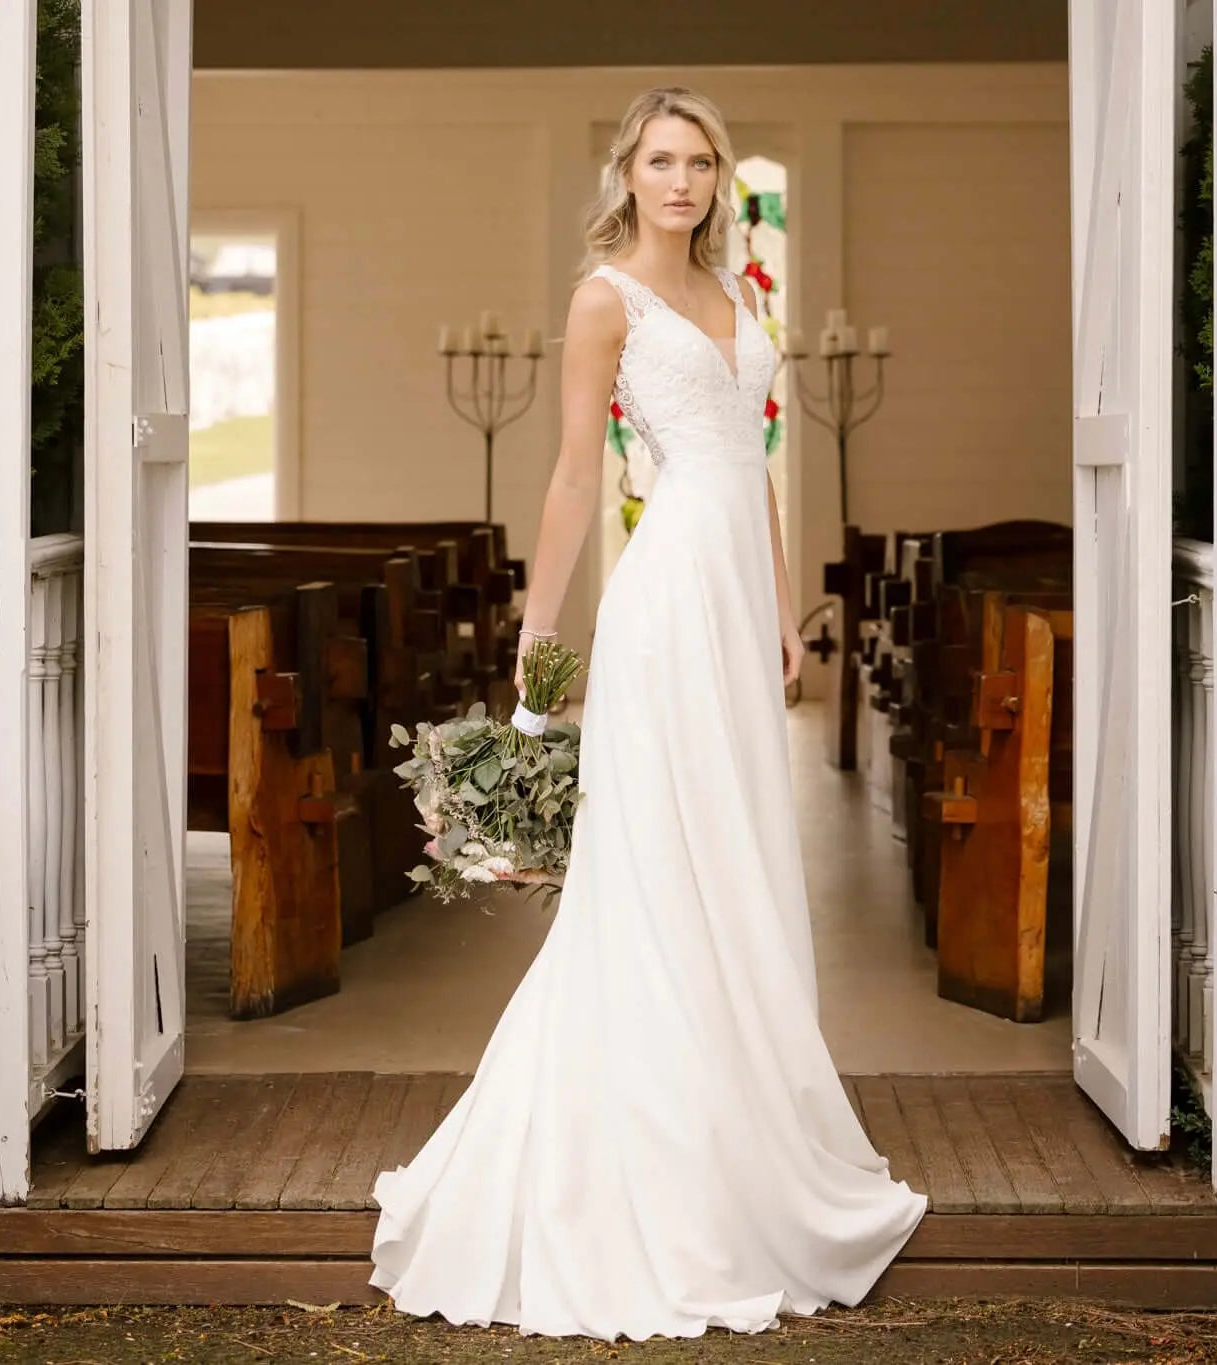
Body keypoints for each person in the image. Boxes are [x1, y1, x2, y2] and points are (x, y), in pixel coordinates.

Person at [369, 85, 928, 1341]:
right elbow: (577, 467)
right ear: (626, 173)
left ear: (721, 180)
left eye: (702, 163)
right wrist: (541, 622)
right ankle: (651, 1149)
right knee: (658, 861)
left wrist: (783, 612)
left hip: (736, 597)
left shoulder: (743, 300)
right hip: (668, 592)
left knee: (734, 854)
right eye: (662, 159)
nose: (683, 181)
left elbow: (753, 463)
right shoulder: (600, 299)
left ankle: (743, 1115)